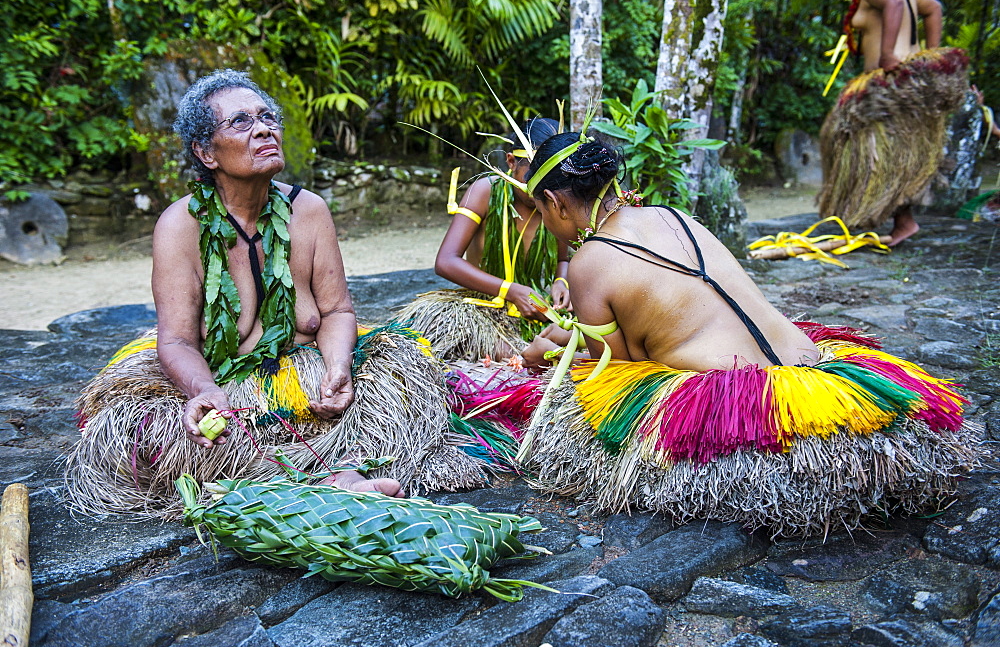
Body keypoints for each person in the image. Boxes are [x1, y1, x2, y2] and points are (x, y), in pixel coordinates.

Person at [65, 70, 492, 518]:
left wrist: (337, 368)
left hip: (306, 383)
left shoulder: (308, 211)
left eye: (267, 117)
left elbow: (336, 311)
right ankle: (325, 475)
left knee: (406, 379)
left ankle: (321, 474)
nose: (264, 128)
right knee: (141, 437)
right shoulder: (179, 226)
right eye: (241, 122)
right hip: (223, 387)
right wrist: (203, 390)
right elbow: (175, 341)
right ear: (205, 152)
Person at [518, 133, 980, 537]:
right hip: (818, 370)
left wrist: (554, 342)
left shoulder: (588, 261)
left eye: (541, 210)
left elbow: (615, 369)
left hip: (749, 401)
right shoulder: (671, 214)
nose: (545, 222)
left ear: (556, 203)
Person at [396, 118, 570, 362]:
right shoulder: (485, 191)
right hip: (483, 306)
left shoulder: (554, 201)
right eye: (532, 173)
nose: (539, 185)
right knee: (505, 353)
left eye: (549, 176)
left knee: (577, 336)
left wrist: (562, 282)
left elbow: (563, 259)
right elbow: (446, 261)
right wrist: (511, 291)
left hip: (536, 307)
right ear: (511, 162)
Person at [818, 0, 968, 246]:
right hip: (906, 81)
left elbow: (894, 2)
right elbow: (934, 8)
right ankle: (893, 220)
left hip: (886, 85)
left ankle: (899, 221)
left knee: (868, 151)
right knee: (894, 153)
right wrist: (929, 59)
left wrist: (887, 54)